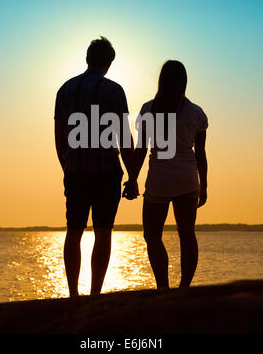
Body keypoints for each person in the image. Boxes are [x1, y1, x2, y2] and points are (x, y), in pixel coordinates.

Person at [54, 37, 137, 296]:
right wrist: (133, 175)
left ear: (88, 58)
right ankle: (95, 294)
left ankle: (72, 294)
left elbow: (59, 135)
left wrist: (66, 166)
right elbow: (123, 136)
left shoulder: (65, 89)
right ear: (108, 62)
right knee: (103, 232)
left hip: (76, 172)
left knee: (73, 231)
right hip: (105, 172)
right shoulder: (114, 90)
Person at [124, 60, 208, 289]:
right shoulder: (196, 113)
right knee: (187, 234)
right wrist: (205, 185)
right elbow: (200, 154)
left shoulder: (148, 109)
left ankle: (163, 287)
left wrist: (132, 179)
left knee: (152, 236)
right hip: (187, 179)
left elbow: (141, 149)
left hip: (159, 180)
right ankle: (184, 288)